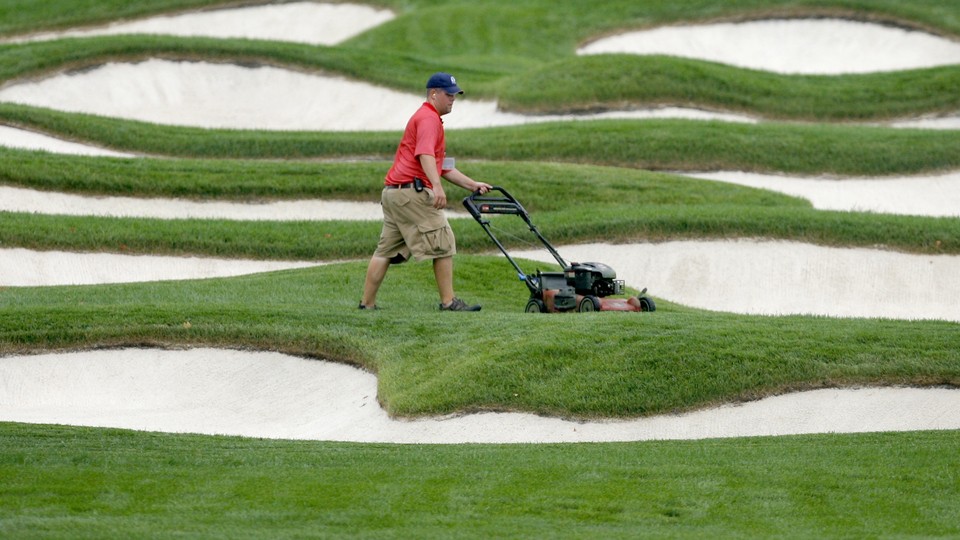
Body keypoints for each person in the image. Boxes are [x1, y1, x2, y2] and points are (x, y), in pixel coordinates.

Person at [359, 72, 492, 311]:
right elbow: (426, 156)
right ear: (433, 94)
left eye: (455, 94)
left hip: (393, 194)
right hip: (412, 192)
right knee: (443, 240)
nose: (453, 99)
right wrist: (437, 187)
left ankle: (366, 304)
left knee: (386, 250)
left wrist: (472, 184)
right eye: (448, 94)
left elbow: (442, 165)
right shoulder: (429, 119)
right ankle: (449, 302)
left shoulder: (426, 119)